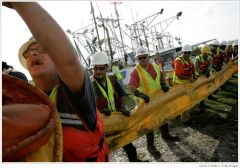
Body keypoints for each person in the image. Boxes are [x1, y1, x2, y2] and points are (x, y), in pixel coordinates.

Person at [5, 2, 109, 162]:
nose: (32, 54)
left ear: (56, 58)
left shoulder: (76, 95)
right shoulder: (27, 103)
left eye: (40, 49)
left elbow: (69, 63)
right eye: (28, 53)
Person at [91, 52, 145, 162]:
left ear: (107, 67)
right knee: (103, 151)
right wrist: (99, 111)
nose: (98, 72)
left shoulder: (112, 78)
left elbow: (122, 95)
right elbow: (88, 105)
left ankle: (134, 161)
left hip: (116, 119)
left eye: (101, 69)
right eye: (95, 69)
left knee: (128, 144)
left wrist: (123, 107)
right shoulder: (89, 83)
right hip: (101, 123)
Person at [128, 46, 179, 157]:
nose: (142, 60)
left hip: (159, 99)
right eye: (140, 58)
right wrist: (140, 94)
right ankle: (150, 146)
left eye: (144, 57)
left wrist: (164, 84)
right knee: (149, 125)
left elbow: (161, 75)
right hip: (147, 103)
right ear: (137, 59)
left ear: (148, 57)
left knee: (163, 117)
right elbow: (131, 86)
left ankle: (165, 135)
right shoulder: (136, 71)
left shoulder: (155, 66)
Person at [173, 44, 196, 123]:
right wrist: (189, 78)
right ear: (182, 52)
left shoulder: (189, 59)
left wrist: (194, 75)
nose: (187, 54)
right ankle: (185, 119)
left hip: (187, 82)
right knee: (184, 100)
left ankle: (185, 113)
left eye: (189, 53)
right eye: (185, 52)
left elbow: (192, 68)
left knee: (189, 98)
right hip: (179, 83)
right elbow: (178, 75)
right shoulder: (178, 60)